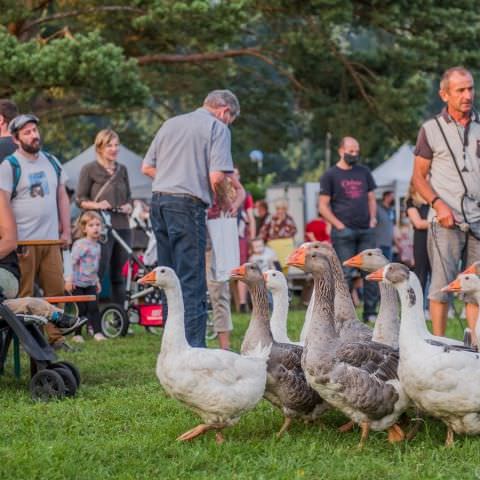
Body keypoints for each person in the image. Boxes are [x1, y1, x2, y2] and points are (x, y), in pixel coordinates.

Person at [141, 89, 240, 347]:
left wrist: (174, 176)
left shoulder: (170, 123)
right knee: (191, 281)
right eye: (231, 119)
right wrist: (226, 201)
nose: (228, 123)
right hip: (187, 206)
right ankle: (195, 350)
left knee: (168, 278)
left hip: (159, 202)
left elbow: (147, 167)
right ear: (224, 111)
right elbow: (217, 177)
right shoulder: (218, 128)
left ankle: (171, 347)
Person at [412, 66, 480, 336]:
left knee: (475, 286)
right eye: (460, 90)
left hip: (477, 219)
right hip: (445, 221)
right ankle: (439, 344)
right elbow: (418, 177)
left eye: (471, 88)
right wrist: (438, 204)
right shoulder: (430, 129)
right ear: (444, 94)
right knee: (441, 285)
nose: (467, 95)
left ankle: (475, 344)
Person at [0, 114, 73, 350]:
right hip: (22, 243)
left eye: (34, 130)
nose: (34, 135)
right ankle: (26, 340)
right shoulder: (9, 166)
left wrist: (66, 229)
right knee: (24, 295)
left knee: (56, 290)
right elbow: (4, 203)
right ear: (16, 138)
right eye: (27, 132)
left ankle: (56, 338)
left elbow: (62, 195)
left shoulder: (52, 161)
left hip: (51, 240)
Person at [319, 136, 377, 322]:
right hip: (344, 232)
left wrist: (373, 218)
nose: (354, 154)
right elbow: (323, 206)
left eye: (357, 151)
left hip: (365, 230)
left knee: (370, 273)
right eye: (351, 151)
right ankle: (345, 315)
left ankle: (370, 312)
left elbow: (371, 198)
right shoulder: (330, 175)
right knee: (345, 275)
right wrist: (339, 225)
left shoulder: (364, 172)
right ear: (341, 150)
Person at [76, 129, 132, 307]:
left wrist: (129, 205)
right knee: (97, 273)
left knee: (119, 274)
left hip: (122, 226)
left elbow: (129, 196)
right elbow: (80, 199)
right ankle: (93, 319)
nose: (114, 149)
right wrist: (97, 205)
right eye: (109, 145)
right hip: (100, 229)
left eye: (116, 145)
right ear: (100, 147)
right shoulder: (89, 169)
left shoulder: (122, 170)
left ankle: (119, 318)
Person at [66, 211, 107, 343]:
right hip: (78, 283)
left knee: (94, 307)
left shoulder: (98, 246)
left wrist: (97, 281)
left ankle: (97, 332)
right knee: (81, 309)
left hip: (90, 283)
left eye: (98, 224)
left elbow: (94, 266)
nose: (95, 228)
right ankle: (77, 334)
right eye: (91, 225)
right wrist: (69, 279)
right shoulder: (80, 244)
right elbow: (71, 262)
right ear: (84, 228)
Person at [405, 182, 431, 311]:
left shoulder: (433, 202)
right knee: (421, 275)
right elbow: (419, 223)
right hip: (421, 241)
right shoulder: (411, 202)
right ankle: (421, 308)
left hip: (435, 240)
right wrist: (438, 221)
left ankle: (436, 308)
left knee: (436, 276)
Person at [375, 190, 395, 260]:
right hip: (379, 243)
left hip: (389, 243)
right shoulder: (377, 209)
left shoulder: (391, 210)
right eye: (391, 196)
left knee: (388, 265)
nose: (393, 198)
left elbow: (391, 226)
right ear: (386, 197)